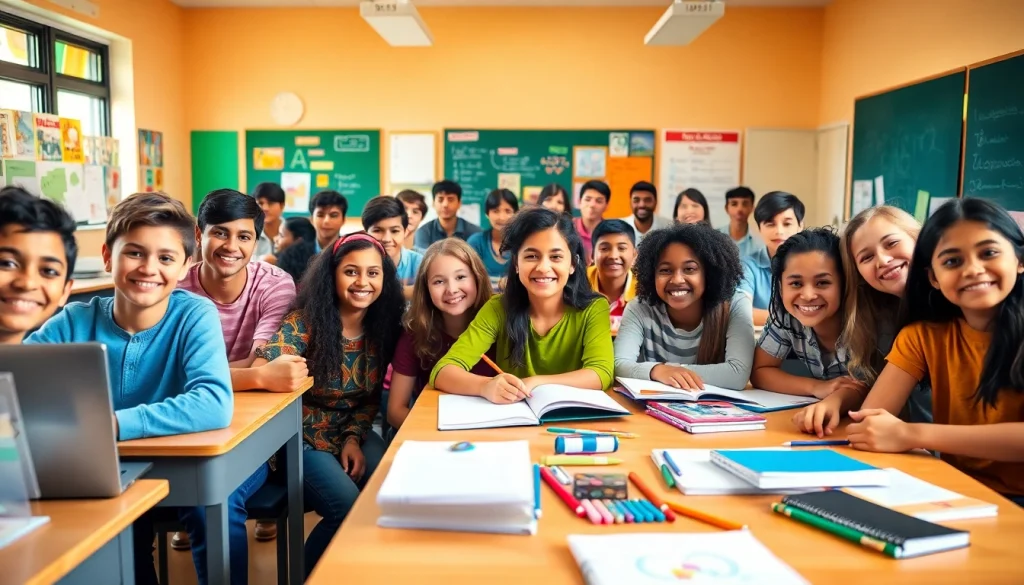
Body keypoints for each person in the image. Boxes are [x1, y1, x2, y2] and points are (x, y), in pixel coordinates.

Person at [25, 192, 253, 585]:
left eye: (166, 258)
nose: (149, 268)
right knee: (110, 535)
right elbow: (15, 383)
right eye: (134, 253)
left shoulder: (194, 314)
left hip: (177, 464)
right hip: (98, 470)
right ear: (108, 256)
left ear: (185, 266)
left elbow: (214, 403)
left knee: (204, 512)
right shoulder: (73, 320)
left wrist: (111, 424)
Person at [793, 199, 1024, 506]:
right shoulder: (920, 336)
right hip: (957, 491)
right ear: (932, 276)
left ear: (1020, 259)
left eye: (989, 252)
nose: (973, 269)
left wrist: (913, 434)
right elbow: (868, 422)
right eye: (953, 261)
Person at [254, 232, 406, 575]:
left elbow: (369, 400)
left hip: (354, 430)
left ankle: (362, 574)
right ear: (332, 274)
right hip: (301, 437)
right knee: (346, 507)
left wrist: (353, 438)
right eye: (351, 271)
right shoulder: (304, 323)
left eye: (373, 272)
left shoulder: (382, 326)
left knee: (390, 490)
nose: (363, 282)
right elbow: (266, 369)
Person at [173, 189, 304, 548]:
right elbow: (171, 378)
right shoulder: (174, 285)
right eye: (220, 232)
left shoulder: (275, 284)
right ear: (199, 235)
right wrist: (255, 375)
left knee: (214, 499)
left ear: (256, 241)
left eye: (244, 236)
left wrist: (198, 377)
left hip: (249, 431)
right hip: (178, 429)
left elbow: (263, 361)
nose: (231, 245)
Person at [431, 207, 614, 402]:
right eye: (531, 256)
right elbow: (442, 371)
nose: (543, 268)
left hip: (572, 421)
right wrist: (485, 386)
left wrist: (534, 382)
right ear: (516, 264)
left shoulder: (594, 308)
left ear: (572, 265)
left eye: (556, 257)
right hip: (514, 421)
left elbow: (601, 373)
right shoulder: (499, 308)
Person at [614, 223, 753, 390]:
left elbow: (737, 374)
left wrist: (672, 372)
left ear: (709, 273)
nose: (677, 280)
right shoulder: (639, 308)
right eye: (665, 270)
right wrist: (658, 371)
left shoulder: (735, 304)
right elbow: (619, 365)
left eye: (689, 269)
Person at [387, 239, 496, 432]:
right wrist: (439, 433)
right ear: (426, 289)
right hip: (433, 431)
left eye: (461, 277)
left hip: (492, 429)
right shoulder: (414, 333)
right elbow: (395, 412)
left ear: (477, 277)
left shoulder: (500, 324)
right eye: (438, 281)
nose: (451, 289)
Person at [837, 206, 931, 423]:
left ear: (919, 239)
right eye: (867, 257)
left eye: (891, 243)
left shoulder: (962, 311)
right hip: (926, 452)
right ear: (858, 275)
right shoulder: (881, 321)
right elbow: (870, 418)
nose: (883, 260)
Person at [748, 227, 865, 400]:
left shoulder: (867, 320)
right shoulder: (785, 317)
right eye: (796, 283)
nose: (808, 296)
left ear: (844, 283)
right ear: (781, 287)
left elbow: (875, 386)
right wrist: (816, 387)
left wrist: (835, 402)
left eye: (822, 282)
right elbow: (760, 371)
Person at [0, 186, 76, 344]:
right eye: (7, 263)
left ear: (65, 291)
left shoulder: (39, 367)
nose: (27, 283)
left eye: (49, 271)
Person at [739, 191, 805, 325]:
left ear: (800, 226)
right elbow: (741, 312)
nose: (779, 231)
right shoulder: (747, 265)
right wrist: (797, 320)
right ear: (759, 228)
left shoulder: (812, 264)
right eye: (770, 224)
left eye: (787, 224)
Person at [362, 195, 424, 298]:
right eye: (377, 230)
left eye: (394, 231)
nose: (387, 239)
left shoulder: (420, 263)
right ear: (366, 234)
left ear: (405, 232)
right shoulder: (358, 263)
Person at [586, 220, 638, 333]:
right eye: (604, 248)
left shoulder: (644, 291)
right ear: (592, 255)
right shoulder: (578, 284)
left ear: (634, 255)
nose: (613, 256)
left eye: (622, 248)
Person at [466, 188, 518, 288]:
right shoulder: (476, 242)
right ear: (487, 213)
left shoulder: (522, 243)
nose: (501, 217)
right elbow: (468, 278)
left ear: (516, 214)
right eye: (496, 211)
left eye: (508, 211)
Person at [414, 180, 481, 248]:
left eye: (450, 199)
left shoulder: (475, 233)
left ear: (459, 203)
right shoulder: (424, 232)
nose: (445, 204)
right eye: (440, 200)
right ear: (433, 203)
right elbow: (424, 258)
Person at [717, 186, 764, 260]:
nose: (739, 209)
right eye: (734, 204)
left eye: (745, 204)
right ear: (726, 208)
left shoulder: (760, 243)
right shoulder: (714, 237)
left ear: (752, 208)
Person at [574, 180, 611, 266]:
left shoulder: (611, 232)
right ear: (579, 202)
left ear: (607, 205)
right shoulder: (567, 228)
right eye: (588, 199)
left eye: (598, 201)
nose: (592, 205)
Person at [272, 217, 318, 284]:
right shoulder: (316, 264)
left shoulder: (272, 264)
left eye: (281, 235)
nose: (275, 239)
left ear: (298, 241)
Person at [252, 182, 285, 260]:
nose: (265, 208)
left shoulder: (292, 233)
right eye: (260, 203)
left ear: (282, 206)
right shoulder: (248, 233)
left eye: (271, 203)